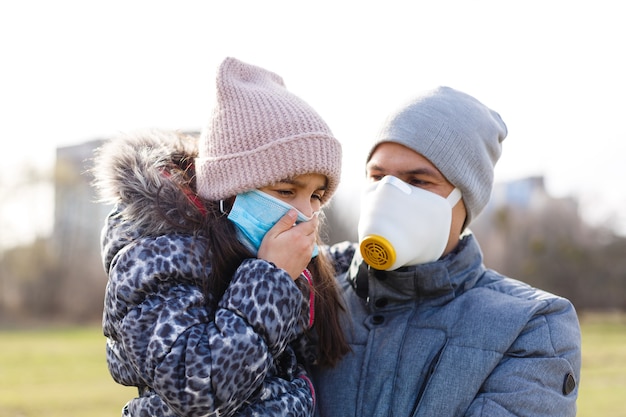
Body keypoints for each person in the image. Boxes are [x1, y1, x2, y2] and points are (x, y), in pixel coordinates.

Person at [92, 57, 349, 417]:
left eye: (317, 196)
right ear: (230, 188)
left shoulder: (252, 249)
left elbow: (338, 262)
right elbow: (195, 387)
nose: (305, 213)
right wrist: (270, 280)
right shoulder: (153, 258)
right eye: (287, 191)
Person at [314, 86, 582, 416]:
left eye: (417, 181)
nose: (388, 195)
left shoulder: (531, 325)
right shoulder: (313, 291)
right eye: (378, 176)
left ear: (463, 200)